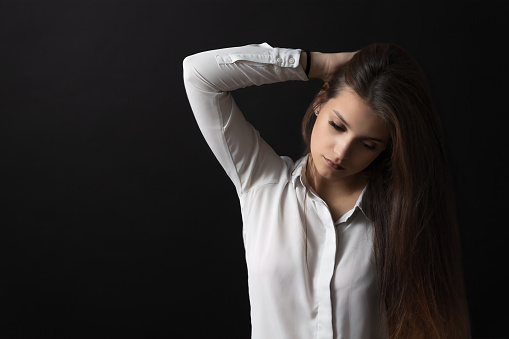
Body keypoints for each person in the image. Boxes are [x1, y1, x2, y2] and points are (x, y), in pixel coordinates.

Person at [182, 42, 470, 339]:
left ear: (387, 148)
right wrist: (315, 64)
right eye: (337, 125)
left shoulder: (401, 214)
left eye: (368, 144)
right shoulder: (261, 182)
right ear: (321, 101)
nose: (342, 152)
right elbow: (200, 76)